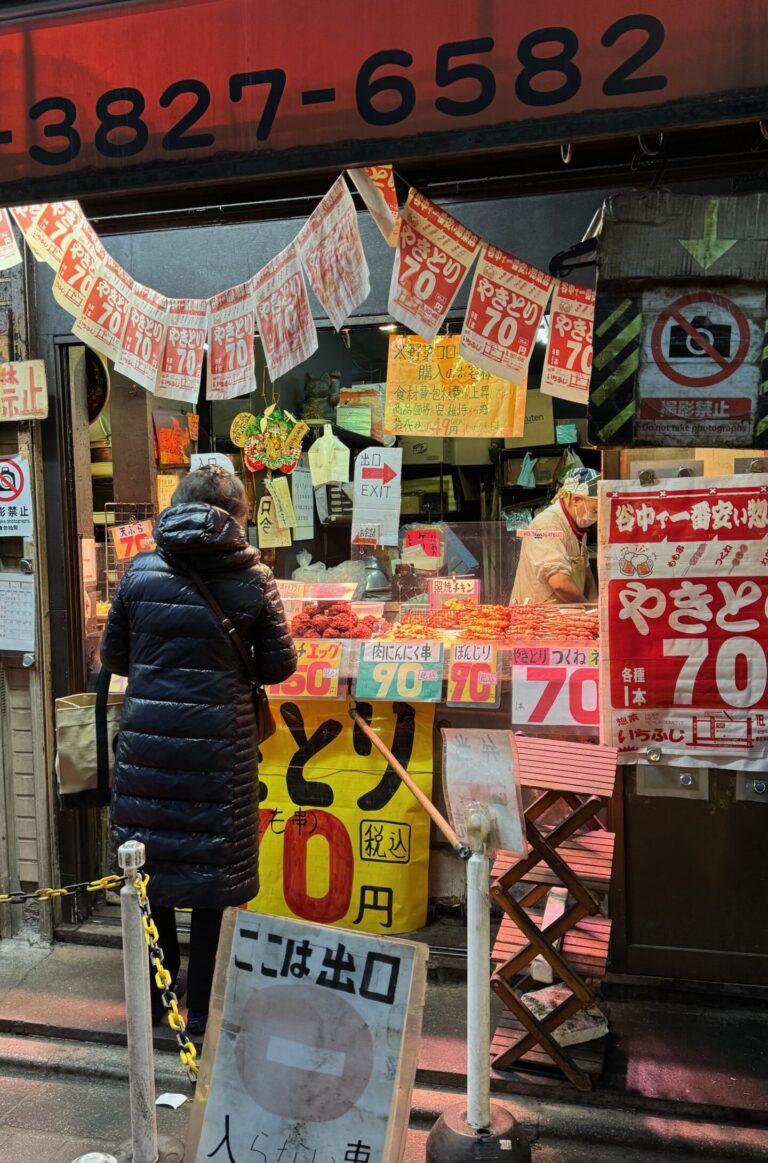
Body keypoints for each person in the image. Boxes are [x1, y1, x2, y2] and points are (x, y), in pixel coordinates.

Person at [100, 467, 297, 1033]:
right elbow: (279, 666)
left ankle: (162, 1007)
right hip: (220, 754)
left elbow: (114, 657)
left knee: (152, 871)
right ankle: (206, 1010)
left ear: (177, 505)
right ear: (237, 516)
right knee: (213, 883)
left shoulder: (139, 572)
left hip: (149, 751)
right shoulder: (254, 577)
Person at [511, 467, 600, 606]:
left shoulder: (577, 524)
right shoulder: (546, 524)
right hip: (536, 618)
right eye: (595, 511)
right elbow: (559, 583)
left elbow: (586, 571)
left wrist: (595, 606)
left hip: (566, 613)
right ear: (576, 500)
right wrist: (586, 608)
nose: (597, 517)